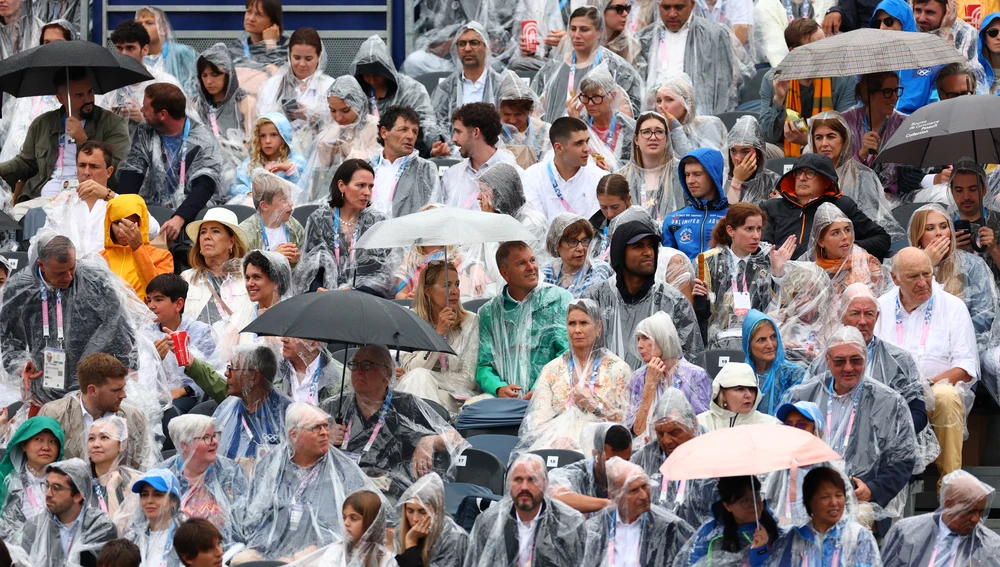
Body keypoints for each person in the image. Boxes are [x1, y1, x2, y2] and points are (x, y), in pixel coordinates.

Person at [782, 326, 918, 531]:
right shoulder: (802, 396)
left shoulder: (890, 402)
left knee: (853, 525)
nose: (848, 368)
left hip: (861, 499)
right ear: (827, 361)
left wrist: (872, 489)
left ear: (866, 359)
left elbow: (904, 459)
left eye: (856, 360)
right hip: (805, 490)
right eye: (839, 361)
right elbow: (783, 447)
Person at [875, 247, 977, 486]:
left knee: (947, 397)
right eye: (913, 276)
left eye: (926, 274)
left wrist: (925, 387)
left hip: (934, 389)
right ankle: (880, 485)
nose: (922, 282)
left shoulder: (953, 307)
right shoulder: (880, 307)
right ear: (895, 278)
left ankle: (951, 487)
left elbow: (965, 366)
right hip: (889, 392)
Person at [1, 234, 137, 408]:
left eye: (72, 268)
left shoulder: (94, 279)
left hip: (94, 386)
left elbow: (120, 326)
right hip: (43, 385)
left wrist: (130, 367)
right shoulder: (20, 288)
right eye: (60, 273)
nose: (68, 277)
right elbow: (9, 338)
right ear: (41, 265)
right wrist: (19, 366)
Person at [323, 346, 466, 500]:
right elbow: (300, 448)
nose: (359, 371)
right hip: (337, 489)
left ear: (387, 373)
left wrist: (430, 440)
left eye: (366, 365)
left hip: (389, 494)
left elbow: (456, 439)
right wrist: (324, 440)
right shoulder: (335, 407)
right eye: (355, 365)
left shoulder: (406, 406)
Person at [241, 403, 374, 560]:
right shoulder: (271, 465)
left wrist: (316, 551)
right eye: (316, 428)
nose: (325, 433)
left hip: (324, 555)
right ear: (293, 434)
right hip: (271, 554)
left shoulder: (343, 469)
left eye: (326, 426)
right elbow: (254, 515)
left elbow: (363, 518)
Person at [811, 283, 929, 439]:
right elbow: (808, 407)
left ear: (877, 317)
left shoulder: (900, 361)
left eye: (868, 314)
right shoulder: (825, 361)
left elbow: (918, 412)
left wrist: (891, 436)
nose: (862, 321)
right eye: (855, 313)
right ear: (841, 315)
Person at [583, 217, 704, 369]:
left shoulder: (674, 302)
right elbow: (581, 355)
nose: (648, 252)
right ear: (620, 252)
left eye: (650, 246)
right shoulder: (593, 299)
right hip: (604, 389)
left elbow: (691, 363)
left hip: (660, 389)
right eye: (638, 246)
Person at [0, 67, 130, 205]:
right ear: (61, 98)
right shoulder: (42, 123)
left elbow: (116, 168)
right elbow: (25, 163)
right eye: (79, 95)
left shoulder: (112, 123)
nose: (88, 99)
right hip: (42, 198)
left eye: (90, 91)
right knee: (17, 219)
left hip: (89, 198)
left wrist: (84, 141)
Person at [517, 302, 631, 454]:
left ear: (598, 328)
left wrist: (595, 407)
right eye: (572, 323)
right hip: (557, 445)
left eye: (584, 323)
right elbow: (537, 421)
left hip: (602, 447)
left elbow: (626, 423)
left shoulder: (618, 369)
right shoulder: (552, 370)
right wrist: (556, 439)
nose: (577, 330)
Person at [116, 83, 224, 243]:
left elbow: (205, 184)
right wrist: (122, 212)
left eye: (146, 107)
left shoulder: (203, 139)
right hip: (154, 210)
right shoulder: (145, 132)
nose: (141, 111)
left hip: (192, 213)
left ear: (163, 114)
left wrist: (180, 217)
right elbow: (133, 171)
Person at [476, 241, 572, 398]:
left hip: (552, 394)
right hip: (505, 403)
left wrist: (541, 387)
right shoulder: (490, 313)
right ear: (504, 273)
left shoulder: (558, 300)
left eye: (532, 260)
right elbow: (484, 364)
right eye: (521, 263)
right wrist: (498, 388)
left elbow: (566, 354)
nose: (531, 267)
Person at [695, 204, 794, 350]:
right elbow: (701, 314)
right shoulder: (707, 261)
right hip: (717, 342)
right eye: (749, 229)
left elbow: (782, 308)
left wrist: (777, 273)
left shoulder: (770, 258)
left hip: (760, 341)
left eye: (759, 229)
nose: (756, 235)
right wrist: (703, 299)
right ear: (731, 230)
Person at [296, 159, 399, 297]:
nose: (367, 192)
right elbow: (310, 269)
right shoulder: (319, 220)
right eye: (361, 185)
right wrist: (317, 288)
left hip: (367, 301)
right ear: (341, 186)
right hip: (327, 301)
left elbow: (385, 274)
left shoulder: (378, 222)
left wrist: (357, 293)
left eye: (370, 186)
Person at [463, 454, 587, 567]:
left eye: (532, 480)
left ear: (545, 483)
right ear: (509, 484)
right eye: (518, 480)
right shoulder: (488, 523)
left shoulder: (570, 524)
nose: (524, 487)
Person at [761, 153, 891, 260]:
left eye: (810, 173)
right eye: (798, 172)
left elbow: (882, 238)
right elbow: (762, 248)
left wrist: (849, 248)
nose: (802, 178)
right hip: (779, 276)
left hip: (831, 278)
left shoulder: (841, 206)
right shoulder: (771, 208)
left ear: (826, 181)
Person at [636, 0, 751, 116]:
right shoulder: (645, 38)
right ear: (658, 6)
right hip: (655, 118)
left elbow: (724, 89)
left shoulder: (714, 35)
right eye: (666, 8)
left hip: (699, 117)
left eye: (679, 7)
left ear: (692, 4)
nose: (672, 14)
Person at [759, 19, 854, 155]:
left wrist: (807, 140)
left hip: (830, 148)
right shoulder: (773, 79)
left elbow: (847, 131)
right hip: (785, 148)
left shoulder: (843, 78)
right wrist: (779, 99)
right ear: (794, 52)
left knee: (810, 151)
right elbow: (768, 137)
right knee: (757, 151)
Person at [396, 261, 481, 414]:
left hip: (455, 399)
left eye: (457, 284)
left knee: (419, 377)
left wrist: (427, 376)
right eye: (447, 285)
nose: (455, 291)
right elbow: (410, 369)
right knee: (417, 379)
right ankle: (433, 435)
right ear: (428, 291)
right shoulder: (411, 320)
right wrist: (438, 334)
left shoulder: (470, 321)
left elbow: (468, 380)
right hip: (423, 393)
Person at [38, 353, 149, 469]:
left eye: (123, 388)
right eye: (116, 390)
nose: (124, 395)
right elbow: (39, 467)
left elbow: (142, 469)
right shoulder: (54, 415)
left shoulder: (134, 417)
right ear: (92, 390)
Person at [905, 204, 998, 343]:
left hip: (964, 342)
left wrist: (948, 336)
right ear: (918, 235)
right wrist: (925, 265)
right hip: (917, 343)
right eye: (930, 228)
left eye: (943, 226)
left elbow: (984, 315)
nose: (939, 233)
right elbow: (900, 311)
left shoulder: (972, 264)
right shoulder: (904, 266)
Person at [183, 344, 291, 463]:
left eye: (232, 369)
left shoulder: (285, 415)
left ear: (254, 377)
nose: (226, 374)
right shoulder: (227, 408)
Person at [531, 7, 642, 121]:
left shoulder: (617, 68)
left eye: (584, 29)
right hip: (558, 135)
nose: (577, 35)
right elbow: (536, 113)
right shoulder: (552, 69)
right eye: (573, 29)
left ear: (599, 32)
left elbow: (628, 120)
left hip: (603, 137)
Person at [806, 111, 904, 239]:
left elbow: (871, 223)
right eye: (818, 137)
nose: (824, 143)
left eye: (831, 136)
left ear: (844, 140)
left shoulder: (864, 176)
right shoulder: (804, 176)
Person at [584, 457, 695, 567]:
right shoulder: (596, 529)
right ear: (614, 496)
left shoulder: (670, 527)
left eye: (645, 486)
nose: (643, 496)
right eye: (633, 491)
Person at [630, 389, 717, 528]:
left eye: (674, 432)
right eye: (660, 433)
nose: (666, 440)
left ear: (693, 425)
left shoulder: (715, 452)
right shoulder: (644, 457)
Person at [158, 415, 248, 548]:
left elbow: (244, 520)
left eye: (215, 435)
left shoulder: (230, 472)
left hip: (226, 552)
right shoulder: (162, 476)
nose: (214, 442)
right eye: (206, 437)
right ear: (185, 445)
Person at [33, 140, 132, 259]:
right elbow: (36, 249)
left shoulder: (119, 203)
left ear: (109, 172)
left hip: (111, 273)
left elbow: (151, 229)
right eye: (82, 165)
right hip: (69, 274)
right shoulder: (63, 203)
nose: (86, 172)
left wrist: (109, 196)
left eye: (94, 166)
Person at [881, 469, 1000, 567]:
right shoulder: (906, 532)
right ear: (949, 505)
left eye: (980, 512)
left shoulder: (990, 546)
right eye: (970, 511)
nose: (976, 519)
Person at [766, 467, 880, 567]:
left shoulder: (858, 536)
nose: (834, 502)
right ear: (809, 501)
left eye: (839, 495)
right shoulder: (795, 538)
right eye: (825, 497)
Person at [350, 35, 442, 154]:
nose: (372, 81)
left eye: (377, 76)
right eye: (367, 76)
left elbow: (425, 125)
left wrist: (432, 146)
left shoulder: (412, 90)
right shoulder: (356, 91)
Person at [20, 458, 118, 567]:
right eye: (47, 486)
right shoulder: (34, 527)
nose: (48, 494)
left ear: (78, 496)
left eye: (56, 488)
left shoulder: (101, 529)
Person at [255, 26, 334, 157]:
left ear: (319, 56)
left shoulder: (330, 86)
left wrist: (312, 117)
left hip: (317, 156)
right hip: (279, 155)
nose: (302, 64)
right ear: (289, 54)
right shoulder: (273, 85)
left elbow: (339, 125)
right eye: (296, 58)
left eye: (308, 59)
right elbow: (261, 122)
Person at [628, 312, 712, 429]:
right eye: (638, 339)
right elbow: (635, 430)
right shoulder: (638, 377)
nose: (639, 345)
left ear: (663, 338)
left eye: (646, 337)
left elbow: (703, 426)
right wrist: (649, 386)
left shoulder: (695, 375)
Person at [676, 475, 782, 567]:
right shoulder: (709, 532)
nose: (754, 504)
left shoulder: (773, 531)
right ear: (728, 506)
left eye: (757, 495)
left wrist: (761, 551)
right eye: (745, 501)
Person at [105, 21, 184, 139]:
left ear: (145, 50)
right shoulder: (106, 83)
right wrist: (108, 117)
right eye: (119, 48)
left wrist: (146, 119)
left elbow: (182, 126)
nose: (123, 54)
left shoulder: (164, 82)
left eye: (130, 47)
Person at [307, 75, 382, 199]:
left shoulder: (376, 127)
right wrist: (326, 156)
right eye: (333, 110)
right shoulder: (331, 131)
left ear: (358, 104)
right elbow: (320, 175)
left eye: (345, 110)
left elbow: (380, 164)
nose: (338, 117)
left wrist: (350, 152)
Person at [841, 71, 910, 201]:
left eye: (897, 90)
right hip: (851, 195)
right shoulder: (846, 122)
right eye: (888, 91)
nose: (894, 97)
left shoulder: (903, 124)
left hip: (892, 199)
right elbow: (840, 172)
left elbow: (906, 171)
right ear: (869, 94)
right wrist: (861, 154)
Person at [523, 117, 606, 223]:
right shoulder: (532, 177)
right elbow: (534, 224)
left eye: (587, 142)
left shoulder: (600, 179)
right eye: (579, 143)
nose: (587, 149)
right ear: (559, 148)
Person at [179, 208, 251, 328]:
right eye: (203, 232)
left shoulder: (248, 277)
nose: (207, 237)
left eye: (215, 231)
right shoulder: (186, 278)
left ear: (231, 242)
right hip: (196, 345)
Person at [215, 249, 291, 359]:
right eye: (247, 278)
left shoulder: (293, 316)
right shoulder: (240, 318)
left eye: (257, 277)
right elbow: (225, 358)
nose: (249, 283)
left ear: (276, 282)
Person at [868, 0, 940, 114]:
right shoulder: (870, 62)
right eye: (877, 24)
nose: (882, 27)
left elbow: (936, 104)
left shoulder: (930, 59)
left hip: (918, 125)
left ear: (904, 23)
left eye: (888, 21)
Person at [441, 102, 518, 211]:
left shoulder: (515, 174)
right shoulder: (451, 176)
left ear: (476, 132)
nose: (454, 139)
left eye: (458, 132)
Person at [431, 22, 502, 139]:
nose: (467, 49)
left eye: (474, 43)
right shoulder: (445, 88)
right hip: (455, 153)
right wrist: (439, 146)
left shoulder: (501, 85)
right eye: (462, 44)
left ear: (487, 47)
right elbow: (433, 126)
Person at [544, 423, 632, 515]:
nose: (619, 468)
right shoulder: (578, 474)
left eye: (626, 461)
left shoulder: (632, 474)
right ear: (595, 454)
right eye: (611, 461)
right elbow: (554, 493)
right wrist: (608, 504)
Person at [805, 202, 891, 295]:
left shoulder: (867, 263)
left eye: (847, 230)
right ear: (821, 241)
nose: (845, 236)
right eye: (835, 233)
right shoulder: (811, 272)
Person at [100, 195, 174, 300]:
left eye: (131, 223)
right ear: (108, 224)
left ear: (142, 224)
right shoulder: (100, 259)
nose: (122, 230)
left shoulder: (162, 257)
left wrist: (138, 249)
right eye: (117, 223)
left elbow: (159, 295)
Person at [0, 417, 64, 539]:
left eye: (52, 441)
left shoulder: (67, 481)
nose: (46, 447)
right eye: (38, 439)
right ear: (24, 445)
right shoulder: (5, 479)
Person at [370, 105, 440, 216]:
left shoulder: (425, 169)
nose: (410, 136)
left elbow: (432, 212)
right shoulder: (366, 166)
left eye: (415, 132)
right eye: (403, 129)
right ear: (384, 132)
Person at [662, 148, 729, 260]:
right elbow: (666, 266)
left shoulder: (734, 217)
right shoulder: (673, 219)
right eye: (687, 174)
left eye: (697, 174)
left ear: (714, 176)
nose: (690, 181)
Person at [302, 490, 396, 566]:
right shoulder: (335, 552)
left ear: (372, 522)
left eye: (354, 518)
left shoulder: (387, 560)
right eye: (344, 517)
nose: (346, 523)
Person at [616, 112, 680, 222]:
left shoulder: (681, 172)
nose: (653, 137)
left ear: (667, 139)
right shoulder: (622, 177)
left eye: (659, 132)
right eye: (646, 132)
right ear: (636, 139)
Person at [228, 113, 308, 202]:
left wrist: (290, 170)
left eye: (273, 135)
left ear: (283, 136)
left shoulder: (297, 161)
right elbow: (237, 185)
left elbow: (302, 191)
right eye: (262, 136)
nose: (267, 141)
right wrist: (249, 194)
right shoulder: (251, 162)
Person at [394, 472, 468, 567]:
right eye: (410, 511)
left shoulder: (454, 538)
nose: (415, 519)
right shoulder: (400, 531)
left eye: (423, 511)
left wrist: (411, 543)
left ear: (437, 511)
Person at [741, 311, 807, 417]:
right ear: (748, 345)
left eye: (773, 337)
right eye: (761, 340)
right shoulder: (740, 377)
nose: (770, 345)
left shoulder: (793, 375)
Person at [569, 63, 636, 167]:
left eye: (596, 97)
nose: (590, 103)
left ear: (612, 96)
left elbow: (634, 167)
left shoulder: (629, 128)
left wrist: (611, 170)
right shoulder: (578, 122)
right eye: (585, 97)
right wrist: (574, 124)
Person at [194, 43, 255, 153]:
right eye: (204, 75)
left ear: (228, 74)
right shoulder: (196, 106)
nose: (209, 81)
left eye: (215, 74)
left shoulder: (246, 103)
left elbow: (251, 143)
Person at [647, 74, 727, 157]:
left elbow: (701, 164)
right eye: (658, 101)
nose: (662, 106)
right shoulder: (656, 132)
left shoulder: (709, 124)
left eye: (669, 100)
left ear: (686, 103)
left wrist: (675, 128)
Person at [238, 167, 304, 265]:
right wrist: (270, 258)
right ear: (265, 206)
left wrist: (298, 260)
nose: (291, 203)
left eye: (289, 198)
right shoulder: (246, 233)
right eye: (283, 199)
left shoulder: (294, 226)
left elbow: (306, 262)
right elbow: (241, 270)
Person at [950, 158, 1000, 282]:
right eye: (959, 190)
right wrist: (950, 252)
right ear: (951, 191)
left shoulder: (997, 222)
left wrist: (994, 248)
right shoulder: (942, 226)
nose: (966, 196)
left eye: (973, 189)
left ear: (984, 190)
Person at [86, 417, 140, 532]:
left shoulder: (134, 482)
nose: (96, 444)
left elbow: (119, 532)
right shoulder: (79, 480)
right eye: (91, 438)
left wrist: (111, 491)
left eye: (104, 437)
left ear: (121, 445)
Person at [121, 469, 184, 567]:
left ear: (174, 501)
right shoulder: (132, 539)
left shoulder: (187, 539)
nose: (149, 500)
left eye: (157, 495)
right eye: (144, 495)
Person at [541, 213, 613, 298]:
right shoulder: (546, 274)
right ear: (557, 244)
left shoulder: (598, 271)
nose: (580, 248)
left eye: (584, 240)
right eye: (573, 242)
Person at [135, 7, 199, 99]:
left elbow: (198, 82)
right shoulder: (139, 59)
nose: (142, 27)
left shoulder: (182, 52)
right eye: (139, 24)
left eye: (149, 23)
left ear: (164, 29)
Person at [697, 362, 781, 431]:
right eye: (740, 389)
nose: (749, 395)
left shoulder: (770, 425)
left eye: (752, 389)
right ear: (722, 394)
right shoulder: (701, 424)